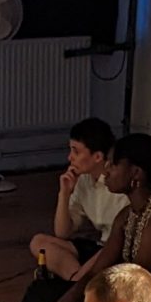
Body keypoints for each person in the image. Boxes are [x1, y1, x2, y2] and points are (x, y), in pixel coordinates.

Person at [52, 134, 151, 302]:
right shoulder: (126, 216)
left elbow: (137, 283)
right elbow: (95, 273)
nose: (106, 171)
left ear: (136, 172)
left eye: (113, 164)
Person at [28, 117, 123, 284]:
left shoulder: (118, 183)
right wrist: (64, 194)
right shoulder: (84, 180)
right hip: (99, 246)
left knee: (101, 257)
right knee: (39, 242)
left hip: (116, 251)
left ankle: (79, 281)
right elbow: (63, 232)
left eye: (76, 151)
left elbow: (119, 242)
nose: (70, 157)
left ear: (98, 157)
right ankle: (77, 279)